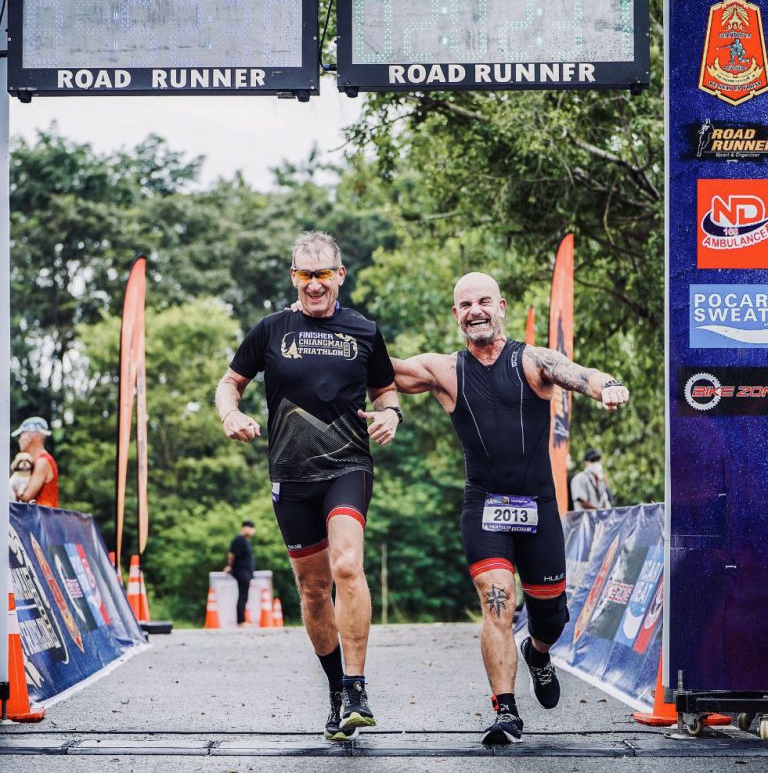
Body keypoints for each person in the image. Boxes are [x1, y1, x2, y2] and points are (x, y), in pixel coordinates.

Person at [391, 272, 629, 747]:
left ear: (501, 307)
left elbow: (579, 373)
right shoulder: (446, 370)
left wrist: (609, 385)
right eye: (465, 305)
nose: (475, 311)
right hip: (484, 507)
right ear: (455, 315)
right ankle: (505, 710)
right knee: (496, 602)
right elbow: (382, 367)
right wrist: (330, 329)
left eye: (484, 301)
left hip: (538, 507)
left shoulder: (532, 360)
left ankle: (537, 654)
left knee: (551, 618)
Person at [215, 230, 402, 740]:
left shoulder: (364, 330)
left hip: (347, 466)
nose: (314, 284)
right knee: (313, 589)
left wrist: (392, 415)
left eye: (322, 274)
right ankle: (337, 690)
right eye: (304, 274)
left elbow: (386, 391)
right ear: (292, 276)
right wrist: (230, 414)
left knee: (347, 564)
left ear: (340, 275)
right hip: (291, 475)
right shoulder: (271, 329)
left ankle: (357, 686)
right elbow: (230, 383)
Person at [12, 417, 59, 507]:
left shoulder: (43, 461)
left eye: (21, 435)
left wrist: (8, 489)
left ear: (31, 436)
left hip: (44, 515)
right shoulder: (35, 461)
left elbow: (26, 497)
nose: (19, 440)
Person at [225, 519, 256, 626]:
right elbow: (231, 554)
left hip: (245, 572)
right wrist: (230, 566)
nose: (253, 531)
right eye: (252, 528)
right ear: (245, 528)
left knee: (244, 596)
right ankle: (241, 621)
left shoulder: (244, 540)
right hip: (242, 572)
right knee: (242, 596)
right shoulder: (239, 540)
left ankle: (242, 620)